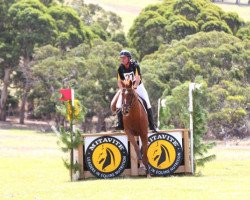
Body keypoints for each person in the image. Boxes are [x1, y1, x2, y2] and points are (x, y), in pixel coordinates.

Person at [113, 50, 157, 132]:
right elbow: (119, 82)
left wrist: (135, 87)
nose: (122, 60)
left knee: (147, 103)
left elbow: (137, 79)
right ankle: (120, 124)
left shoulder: (135, 65)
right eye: (121, 58)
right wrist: (122, 90)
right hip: (127, 89)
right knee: (119, 104)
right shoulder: (120, 69)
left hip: (138, 87)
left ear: (129, 58)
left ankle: (152, 125)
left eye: (124, 58)